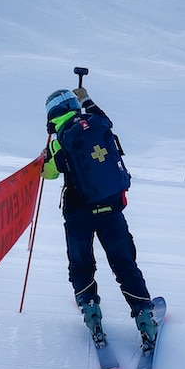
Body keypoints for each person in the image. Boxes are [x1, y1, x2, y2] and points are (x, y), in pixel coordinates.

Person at [42, 86, 158, 354]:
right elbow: (104, 117)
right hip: (111, 209)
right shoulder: (97, 122)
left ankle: (91, 313)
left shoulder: (61, 138)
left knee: (82, 264)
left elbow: (48, 173)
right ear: (74, 105)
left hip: (78, 214)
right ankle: (144, 317)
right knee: (124, 264)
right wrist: (85, 97)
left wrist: (48, 156)